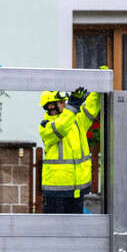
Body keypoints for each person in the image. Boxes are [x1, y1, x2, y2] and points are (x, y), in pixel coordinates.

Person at [38, 86, 101, 214]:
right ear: (50, 106)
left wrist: (98, 87)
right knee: (54, 232)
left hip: (77, 190)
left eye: (66, 102)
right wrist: (72, 106)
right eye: (62, 102)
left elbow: (90, 108)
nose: (65, 105)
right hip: (56, 193)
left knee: (75, 231)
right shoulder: (46, 126)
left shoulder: (76, 120)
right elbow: (61, 127)